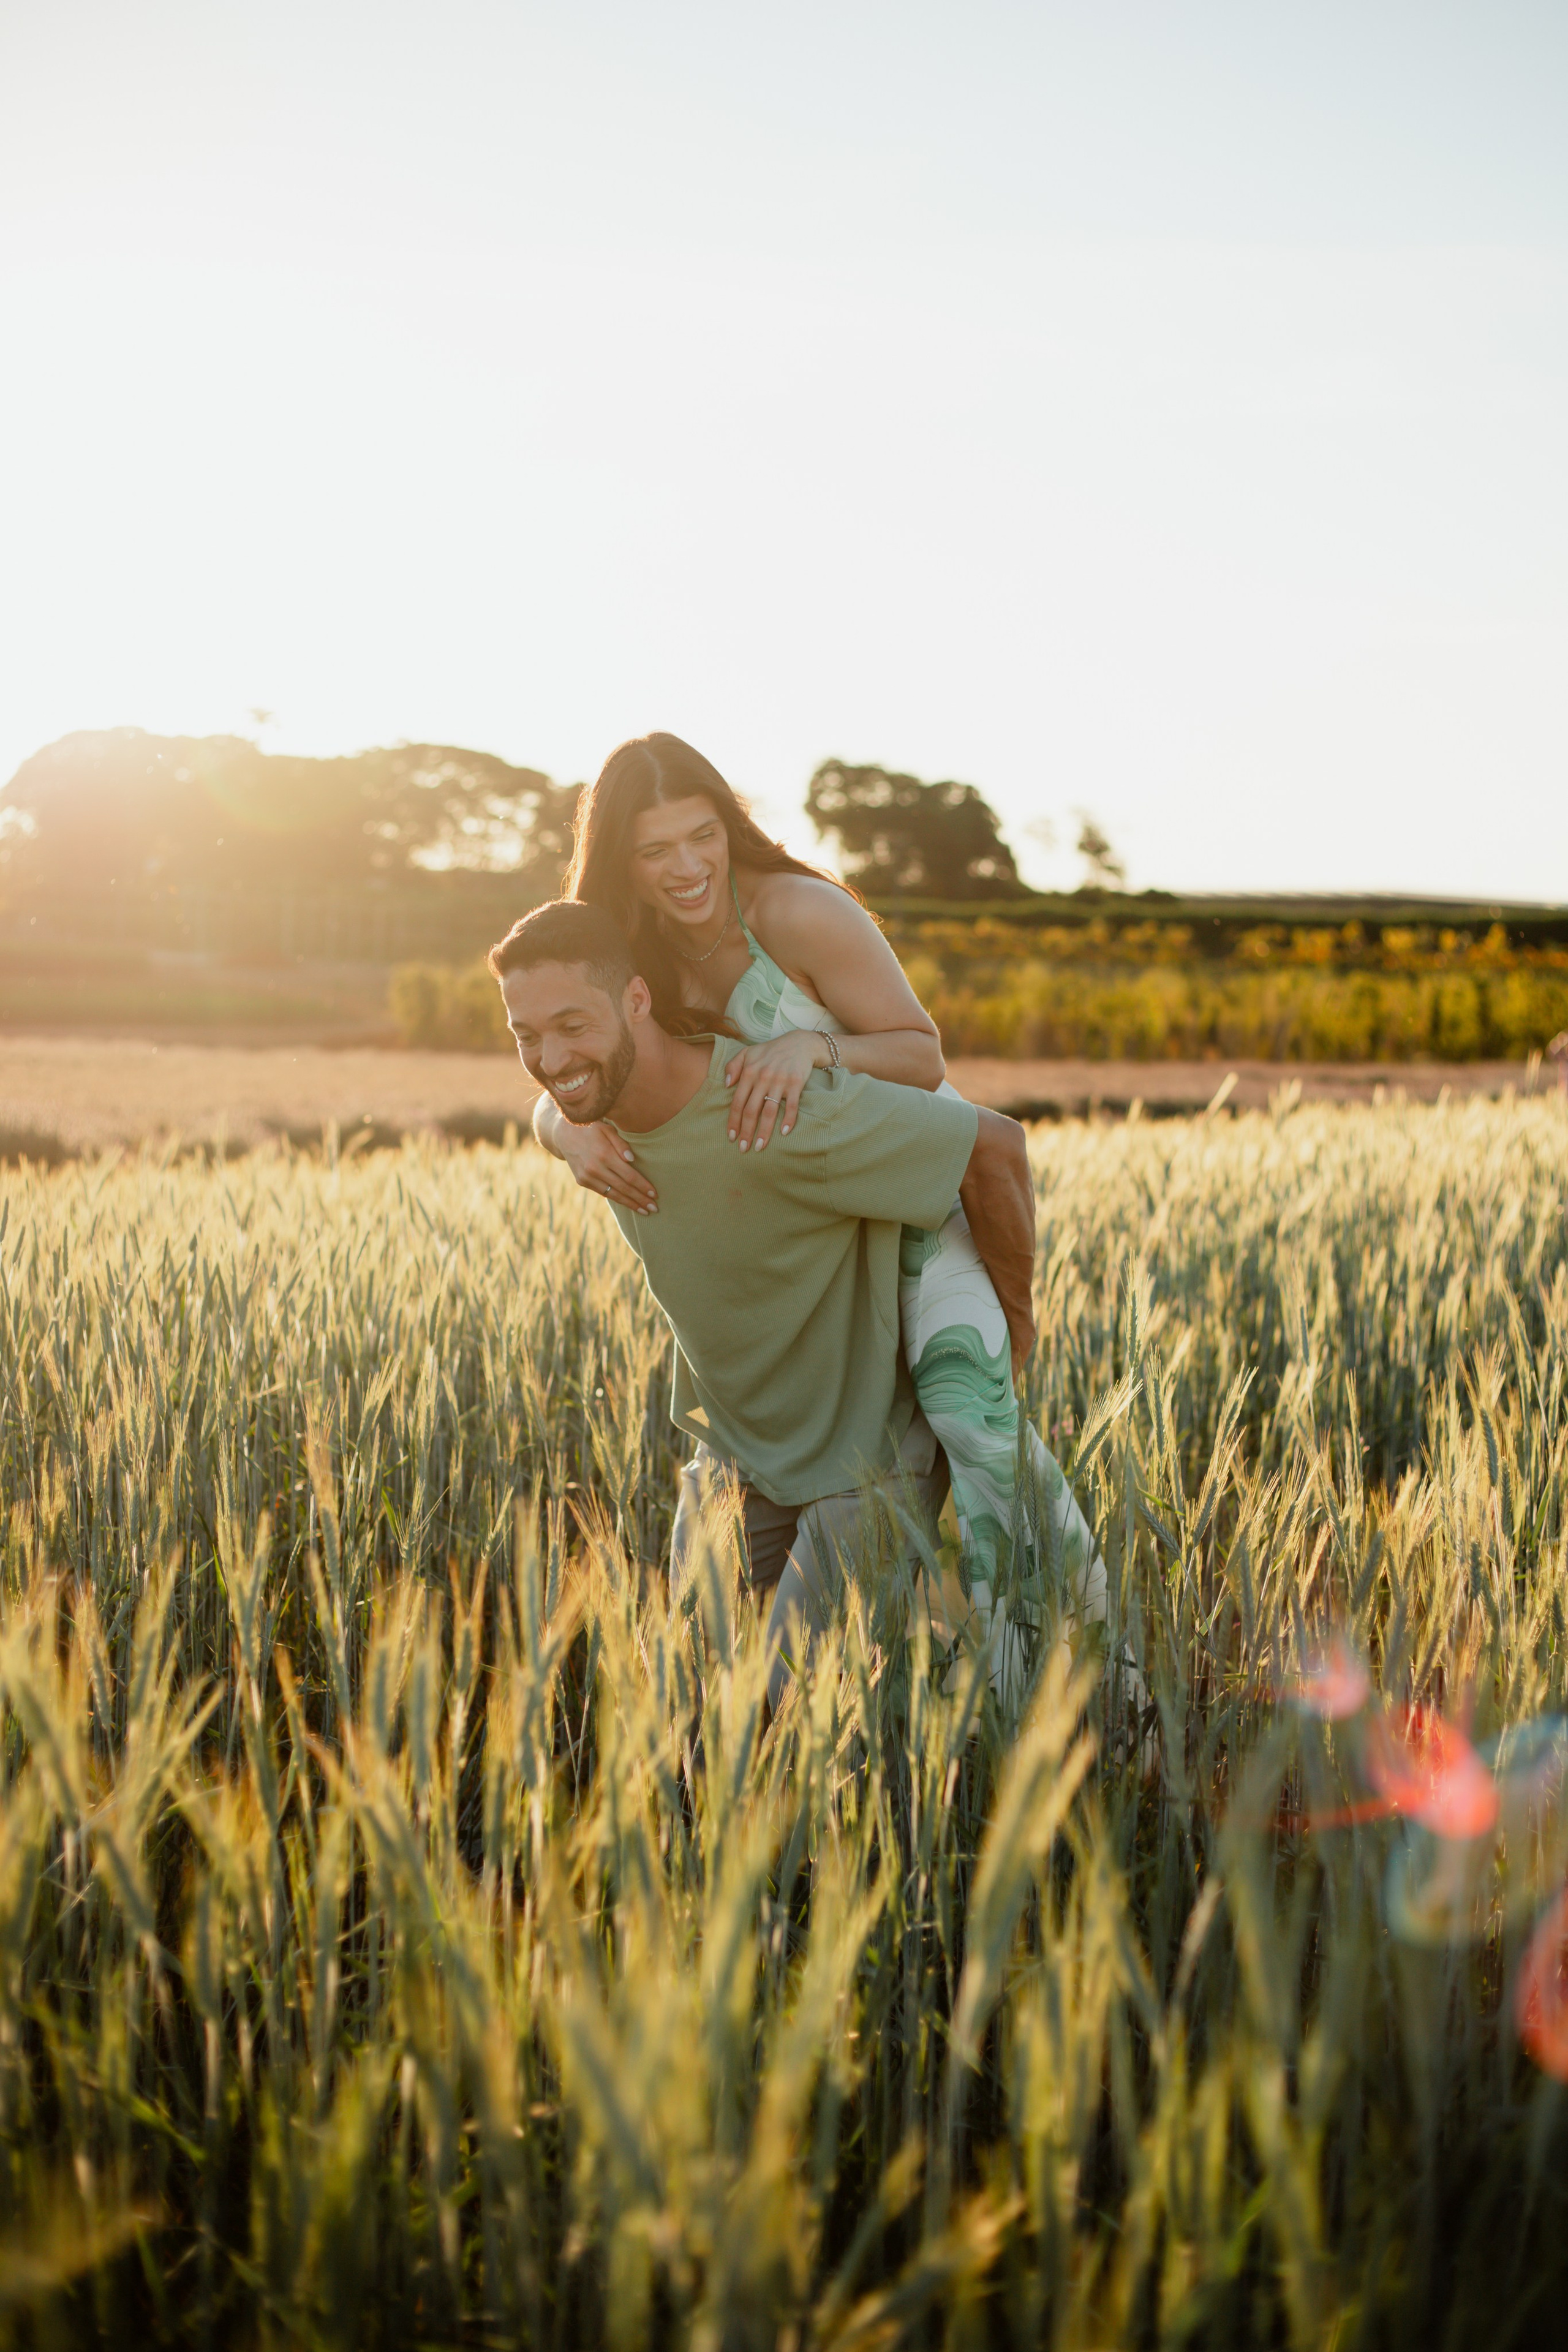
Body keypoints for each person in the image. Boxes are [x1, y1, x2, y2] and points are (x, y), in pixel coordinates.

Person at [532, 731, 1096, 1640]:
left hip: (915, 1201)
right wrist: (559, 1126)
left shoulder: (795, 913)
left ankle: (1070, 1668)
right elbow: (572, 1049)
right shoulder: (637, 956)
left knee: (976, 1424)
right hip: (812, 1222)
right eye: (655, 850)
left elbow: (923, 1056)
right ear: (619, 864)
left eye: (703, 836)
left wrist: (813, 1045)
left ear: (729, 826)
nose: (687, 867)